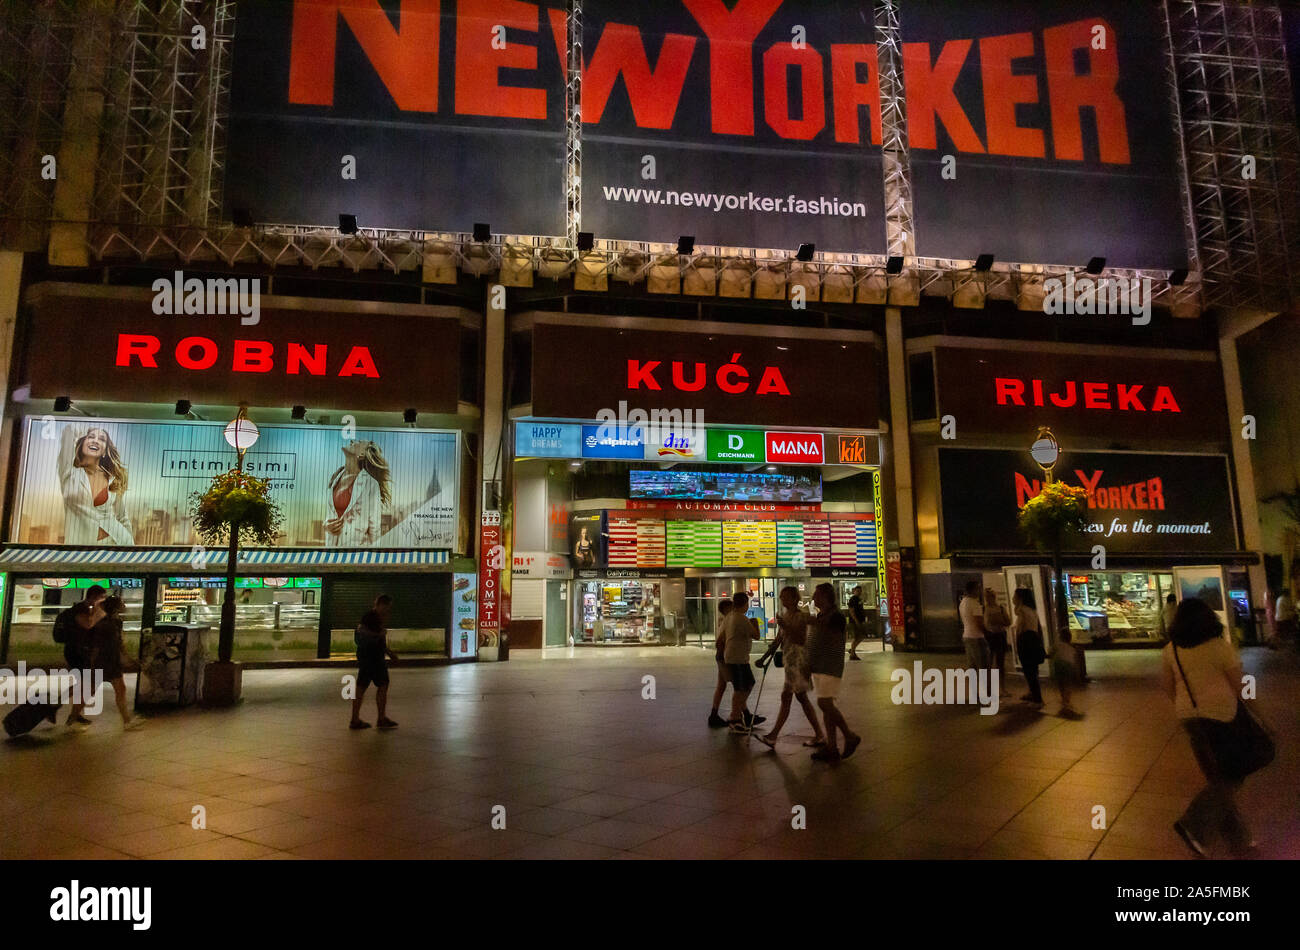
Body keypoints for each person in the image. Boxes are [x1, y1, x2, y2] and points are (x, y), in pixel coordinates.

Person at [1161, 598, 1256, 858]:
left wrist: (1187, 708)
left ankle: (1240, 844)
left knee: (1218, 780)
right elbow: (1240, 687)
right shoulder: (1220, 648)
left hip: (1190, 720)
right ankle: (1193, 824)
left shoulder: (1172, 650)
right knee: (1231, 777)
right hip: (1222, 720)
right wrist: (1258, 711)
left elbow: (1168, 685)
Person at [755, 587, 826, 750]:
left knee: (790, 697)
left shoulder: (799, 617)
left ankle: (774, 735)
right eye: (781, 597)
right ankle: (819, 734)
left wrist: (785, 626)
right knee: (799, 698)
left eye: (785, 597)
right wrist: (764, 657)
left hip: (798, 661)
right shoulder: (786, 616)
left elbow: (800, 639)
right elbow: (779, 640)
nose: (782, 599)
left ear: (794, 599)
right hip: (790, 661)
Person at [805, 583, 861, 762]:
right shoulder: (822, 614)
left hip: (830, 666)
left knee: (824, 703)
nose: (814, 598)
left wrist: (803, 619)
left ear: (825, 596)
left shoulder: (835, 616)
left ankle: (849, 735)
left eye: (816, 594)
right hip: (820, 666)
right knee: (826, 708)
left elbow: (825, 628)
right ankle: (832, 747)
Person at [58, 425, 133, 545]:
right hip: (81, 549)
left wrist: (131, 550)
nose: (95, 440)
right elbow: (69, 430)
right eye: (91, 437)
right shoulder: (69, 474)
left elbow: (122, 517)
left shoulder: (112, 478)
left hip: (118, 542)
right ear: (81, 443)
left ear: (104, 451)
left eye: (102, 439)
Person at [53, 585, 107, 726]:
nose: (103, 601)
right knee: (88, 684)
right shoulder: (79, 610)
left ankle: (70, 712)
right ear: (94, 597)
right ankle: (59, 707)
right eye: (102, 598)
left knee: (85, 684)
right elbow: (87, 624)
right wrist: (100, 612)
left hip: (83, 651)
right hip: (76, 652)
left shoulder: (89, 609)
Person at [88, 596, 142, 730]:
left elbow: (117, 644)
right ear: (116, 607)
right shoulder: (109, 624)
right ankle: (127, 722)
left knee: (117, 689)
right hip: (108, 661)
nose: (125, 605)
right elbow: (110, 644)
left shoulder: (109, 623)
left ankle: (127, 721)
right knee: (93, 690)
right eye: (122, 603)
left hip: (107, 660)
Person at [325, 439, 391, 547]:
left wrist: (375, 557)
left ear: (362, 454)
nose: (352, 440)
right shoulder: (335, 478)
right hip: (333, 551)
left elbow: (375, 529)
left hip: (357, 553)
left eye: (359, 442)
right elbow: (330, 515)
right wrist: (326, 525)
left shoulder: (371, 484)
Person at [350, 595, 399, 730]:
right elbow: (370, 634)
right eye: (387, 607)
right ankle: (378, 719)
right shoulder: (372, 617)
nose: (388, 610)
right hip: (372, 658)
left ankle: (357, 719)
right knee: (379, 685)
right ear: (381, 605)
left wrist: (388, 651)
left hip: (369, 657)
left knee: (366, 686)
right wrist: (388, 651)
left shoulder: (371, 617)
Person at [722, 591, 763, 733]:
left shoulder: (729, 617)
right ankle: (734, 717)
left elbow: (721, 636)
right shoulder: (741, 619)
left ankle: (737, 714)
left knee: (746, 685)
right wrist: (755, 623)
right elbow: (756, 635)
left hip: (733, 656)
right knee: (741, 689)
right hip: (738, 658)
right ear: (745, 604)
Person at [1011, 587, 1045, 706]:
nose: (1013, 599)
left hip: (1026, 640)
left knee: (1028, 670)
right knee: (1033, 669)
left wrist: (1016, 644)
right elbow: (1038, 627)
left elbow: (1020, 628)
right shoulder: (1032, 610)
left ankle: (1037, 699)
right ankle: (1033, 693)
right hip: (1034, 639)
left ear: (1020, 598)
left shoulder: (1022, 611)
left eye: (1015, 596)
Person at [983, 588, 1011, 695]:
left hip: (999, 636)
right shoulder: (984, 609)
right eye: (987, 597)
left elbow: (1008, 621)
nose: (988, 599)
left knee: (1000, 663)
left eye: (990, 596)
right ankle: (990, 688)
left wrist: (1000, 620)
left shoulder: (1001, 608)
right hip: (990, 636)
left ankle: (1002, 688)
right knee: (988, 663)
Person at [959, 581, 990, 672]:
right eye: (978, 589)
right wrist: (988, 633)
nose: (980, 591)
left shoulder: (963, 603)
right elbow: (979, 622)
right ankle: (986, 686)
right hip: (977, 637)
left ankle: (973, 686)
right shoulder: (975, 604)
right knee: (983, 666)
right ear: (973, 590)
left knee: (972, 666)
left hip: (967, 636)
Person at [1051, 628, 1081, 716]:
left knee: (1061, 684)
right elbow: (1075, 660)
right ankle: (1067, 702)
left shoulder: (1057, 645)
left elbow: (1051, 652)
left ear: (1060, 637)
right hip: (1068, 666)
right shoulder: (1072, 648)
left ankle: (1064, 700)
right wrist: (1077, 673)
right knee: (1067, 685)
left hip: (1058, 665)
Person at [847, 585, 868, 660]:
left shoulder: (859, 599)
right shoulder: (852, 599)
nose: (859, 592)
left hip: (860, 621)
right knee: (858, 637)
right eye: (858, 591)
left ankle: (852, 650)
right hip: (855, 622)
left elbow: (861, 610)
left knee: (861, 636)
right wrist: (856, 621)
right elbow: (851, 610)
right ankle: (852, 653)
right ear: (854, 591)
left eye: (860, 591)